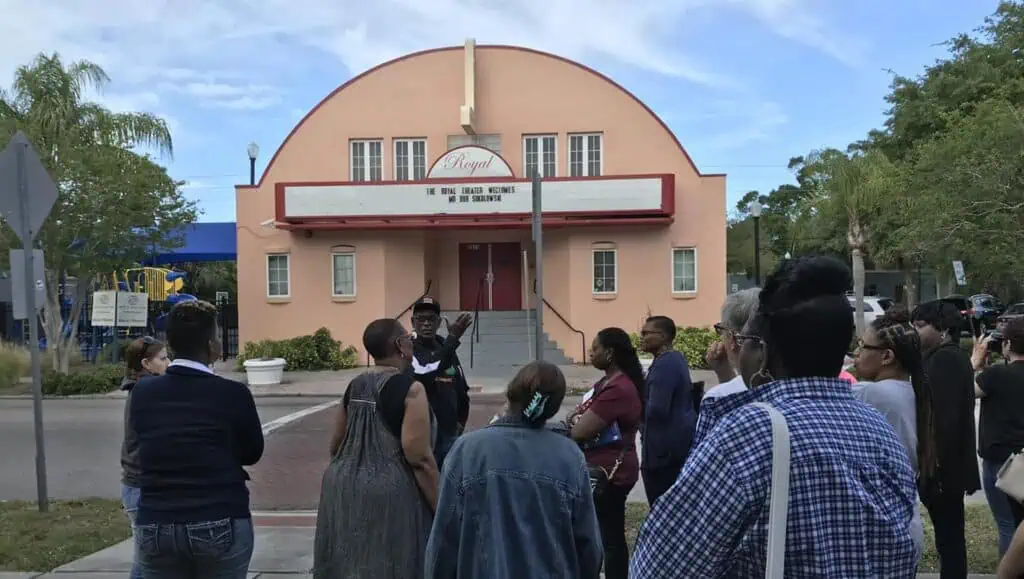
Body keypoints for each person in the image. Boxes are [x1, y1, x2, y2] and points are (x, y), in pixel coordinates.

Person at [631, 256, 919, 578]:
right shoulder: (878, 428)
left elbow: (661, 566)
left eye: (747, 342)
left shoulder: (749, 431)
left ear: (763, 353)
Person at [425, 361, 602, 579]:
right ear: (554, 407)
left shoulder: (468, 450)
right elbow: (588, 545)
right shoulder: (569, 456)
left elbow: (444, 538)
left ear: (511, 393)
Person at [129, 300, 264, 578]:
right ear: (212, 345)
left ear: (171, 343)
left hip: (156, 520)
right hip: (218, 515)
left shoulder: (143, 392)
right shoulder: (233, 393)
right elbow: (252, 452)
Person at [315, 318, 438, 579]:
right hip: (389, 491)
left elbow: (336, 444)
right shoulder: (412, 390)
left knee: (349, 564)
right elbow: (419, 458)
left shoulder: (354, 386)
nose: (411, 341)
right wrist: (441, 505)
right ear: (399, 345)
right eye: (407, 337)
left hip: (341, 486)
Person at [852, 307, 939, 558]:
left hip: (881, 528)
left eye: (863, 346)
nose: (857, 353)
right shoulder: (911, 391)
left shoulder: (873, 393)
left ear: (887, 356)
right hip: (906, 523)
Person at [912, 299, 982, 577]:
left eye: (920, 326)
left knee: (950, 539)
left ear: (942, 329)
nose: (915, 332)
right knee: (948, 539)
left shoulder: (946, 359)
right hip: (941, 465)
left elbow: (945, 419)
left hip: (943, 467)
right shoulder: (941, 357)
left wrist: (934, 464)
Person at [566, 328, 644, 579]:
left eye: (595, 348)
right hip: (606, 469)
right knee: (609, 534)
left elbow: (579, 430)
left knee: (607, 537)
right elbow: (576, 414)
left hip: (610, 473)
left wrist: (577, 421)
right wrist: (576, 419)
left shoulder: (618, 388)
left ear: (609, 353)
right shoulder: (607, 382)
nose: (591, 352)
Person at [972, 316, 1024, 555]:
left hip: (1002, 462)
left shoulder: (996, 376)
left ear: (1008, 344)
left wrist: (975, 361)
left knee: (1008, 526)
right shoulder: (994, 375)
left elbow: (964, 391)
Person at [120, 336, 170, 579]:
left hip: (138, 485)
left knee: (151, 558)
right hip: (141, 486)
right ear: (146, 364)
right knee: (147, 560)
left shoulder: (142, 389)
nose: (168, 363)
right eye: (162, 358)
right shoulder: (145, 392)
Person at [638, 315, 696, 506]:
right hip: (672, 450)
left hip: (663, 455)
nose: (642, 337)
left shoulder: (665, 364)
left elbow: (656, 410)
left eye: (646, 333)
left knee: (661, 508)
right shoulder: (673, 359)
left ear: (663, 336)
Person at [409, 296, 472, 469]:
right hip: (427, 435)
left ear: (439, 323)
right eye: (421, 319)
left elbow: (459, 383)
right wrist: (453, 339)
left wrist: (461, 419)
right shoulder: (410, 348)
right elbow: (425, 371)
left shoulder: (444, 345)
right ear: (413, 322)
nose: (427, 324)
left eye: (432, 319)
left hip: (451, 432)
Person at [705, 288, 760, 399]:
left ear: (732, 339)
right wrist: (725, 374)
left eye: (721, 330)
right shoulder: (795, 383)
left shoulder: (716, 398)